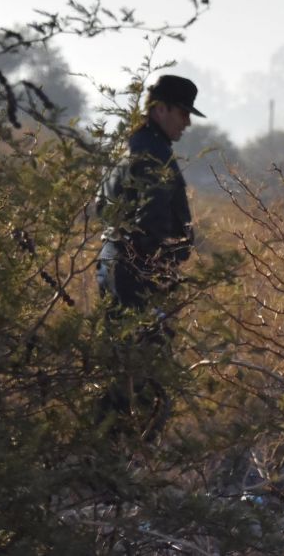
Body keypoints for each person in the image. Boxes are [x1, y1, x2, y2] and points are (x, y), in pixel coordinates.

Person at [94, 74, 204, 441]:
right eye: (183, 113)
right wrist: (160, 268)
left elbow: (100, 207)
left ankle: (110, 456)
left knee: (125, 364)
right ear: (160, 110)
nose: (187, 122)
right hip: (136, 272)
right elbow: (151, 223)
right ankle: (118, 457)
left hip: (115, 263)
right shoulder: (152, 152)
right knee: (141, 369)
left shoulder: (129, 145)